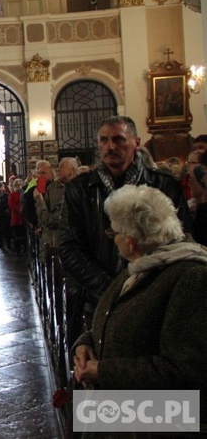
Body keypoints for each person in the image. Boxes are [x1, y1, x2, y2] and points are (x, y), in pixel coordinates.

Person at [73, 185, 207, 418]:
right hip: (122, 413)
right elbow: (115, 314)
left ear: (130, 240)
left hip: (156, 422)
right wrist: (86, 343)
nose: (113, 240)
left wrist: (103, 371)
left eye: (113, 233)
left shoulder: (191, 277)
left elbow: (186, 371)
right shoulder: (144, 265)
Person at [59, 116, 191, 340]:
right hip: (97, 297)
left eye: (119, 139)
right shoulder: (79, 190)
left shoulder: (163, 185)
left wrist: (145, 290)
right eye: (104, 140)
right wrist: (111, 289)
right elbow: (70, 247)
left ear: (136, 142)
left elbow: (180, 242)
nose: (110, 146)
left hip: (155, 298)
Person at [33, 157, 78, 260]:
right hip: (48, 233)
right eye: (39, 172)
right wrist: (39, 225)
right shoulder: (44, 184)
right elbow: (35, 202)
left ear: (51, 173)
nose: (40, 176)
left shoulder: (75, 188)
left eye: (43, 173)